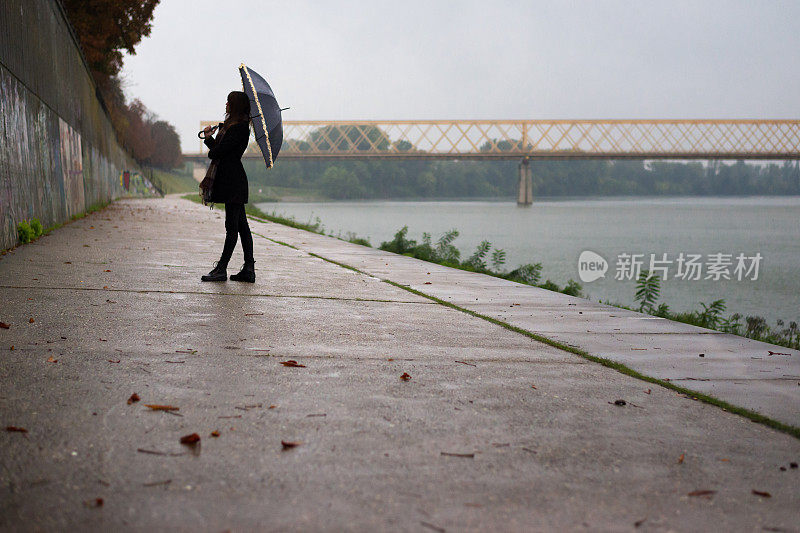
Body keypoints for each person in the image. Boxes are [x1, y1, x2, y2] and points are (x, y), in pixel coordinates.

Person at [199, 91, 256, 283]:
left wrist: (211, 143)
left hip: (233, 181)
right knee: (241, 226)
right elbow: (219, 151)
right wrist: (208, 138)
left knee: (232, 227)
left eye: (229, 102)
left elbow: (218, 152)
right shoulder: (233, 127)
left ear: (236, 106)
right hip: (232, 180)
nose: (226, 105)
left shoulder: (239, 128)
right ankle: (248, 269)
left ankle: (222, 269)